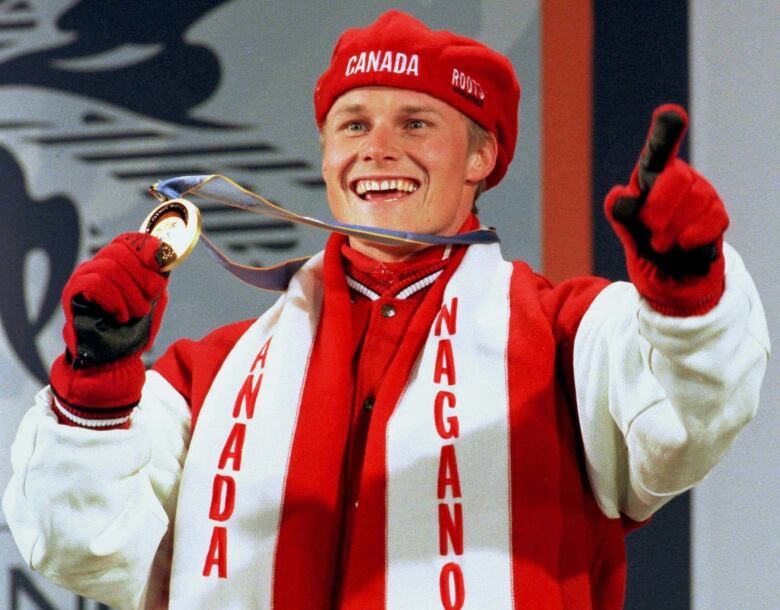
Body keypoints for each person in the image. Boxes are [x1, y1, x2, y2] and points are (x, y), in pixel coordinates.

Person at [2, 10, 769, 610]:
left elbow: (689, 418)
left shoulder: (568, 334)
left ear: (481, 158)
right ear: (327, 153)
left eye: (415, 123)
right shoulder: (210, 375)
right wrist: (96, 382)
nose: (377, 148)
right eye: (354, 123)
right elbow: (80, 547)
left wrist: (686, 286)